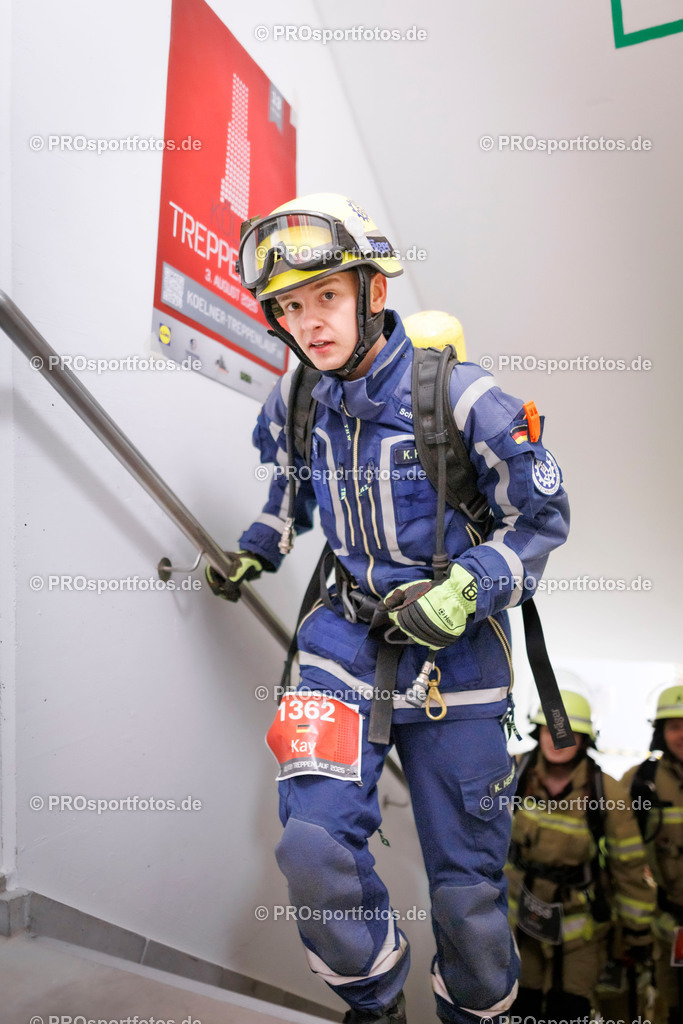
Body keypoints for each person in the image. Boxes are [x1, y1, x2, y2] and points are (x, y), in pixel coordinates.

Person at [206, 193, 570, 1024]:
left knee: (467, 900)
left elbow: (540, 519)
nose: (309, 323)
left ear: (372, 291)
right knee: (310, 846)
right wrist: (257, 546)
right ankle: (375, 1009)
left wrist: (470, 586)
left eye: (325, 297)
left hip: (460, 665)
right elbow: (288, 494)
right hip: (341, 643)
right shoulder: (296, 400)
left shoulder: (466, 397)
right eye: (290, 308)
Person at [506, 690, 654, 1023]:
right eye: (551, 731)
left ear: (586, 739)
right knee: (520, 1006)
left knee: (569, 1009)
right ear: (538, 733)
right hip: (519, 925)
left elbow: (628, 865)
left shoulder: (606, 791)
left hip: (580, 930)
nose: (558, 741)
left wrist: (637, 933)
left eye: (569, 734)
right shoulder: (513, 774)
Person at [624, 684, 683, 1024]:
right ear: (661, 732)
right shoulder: (639, 783)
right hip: (663, 926)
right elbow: (621, 857)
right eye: (674, 727)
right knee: (665, 1007)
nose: (681, 735)